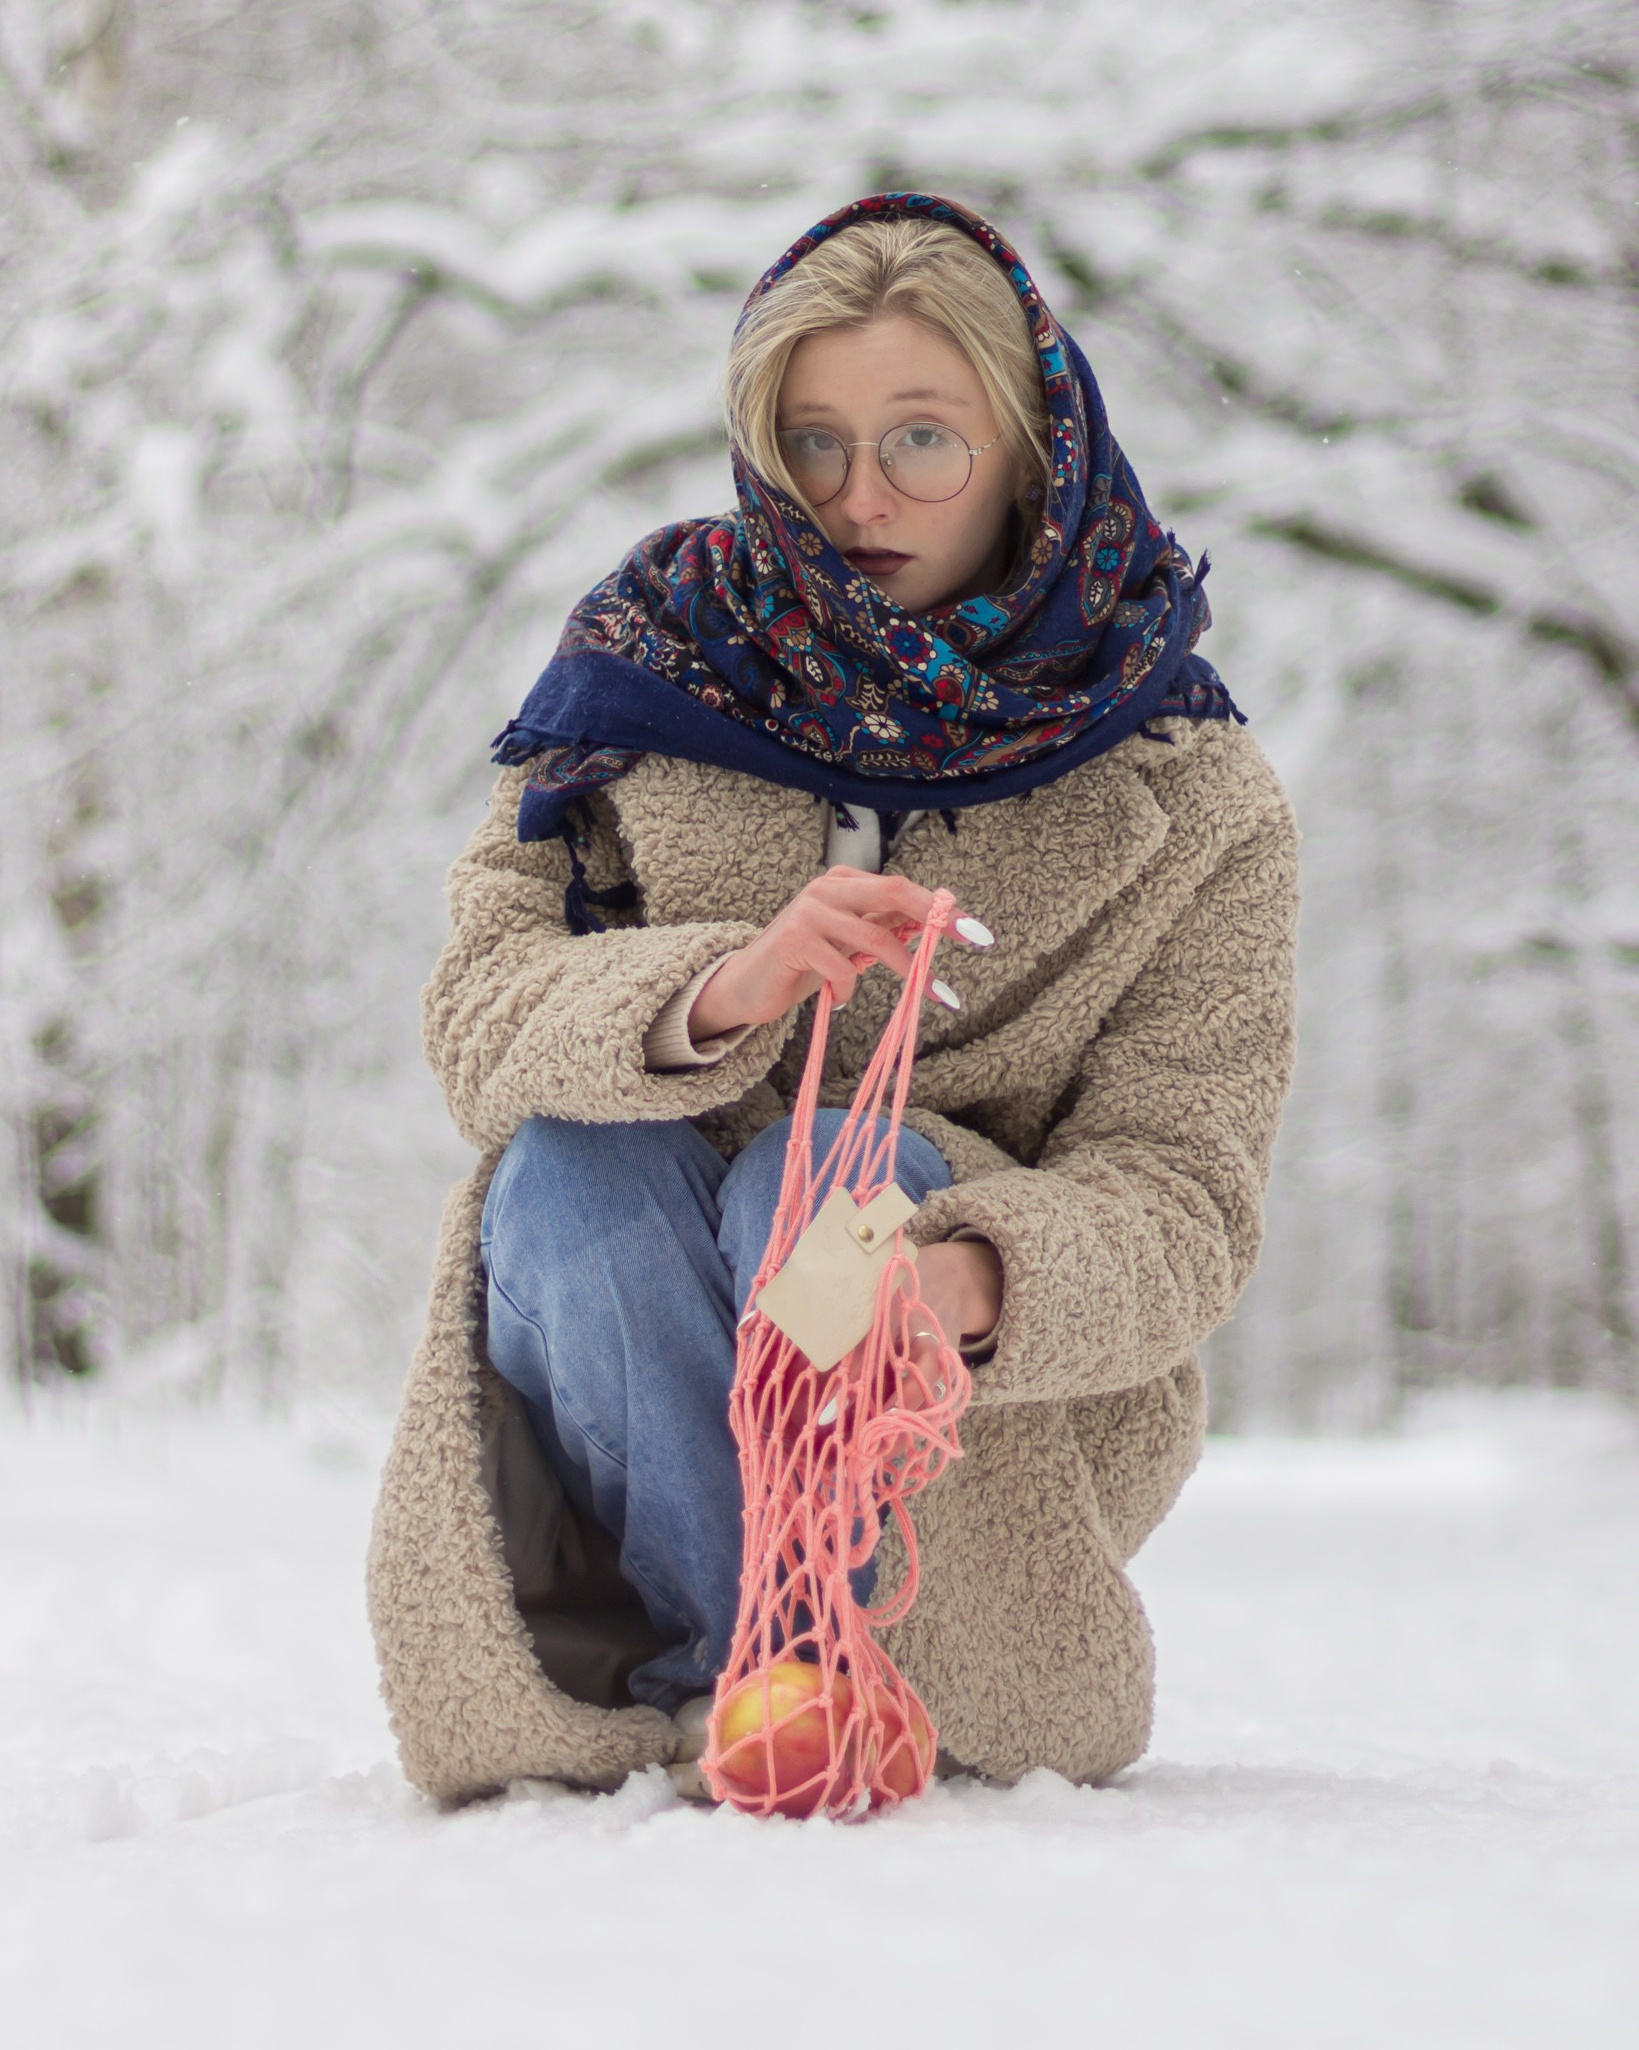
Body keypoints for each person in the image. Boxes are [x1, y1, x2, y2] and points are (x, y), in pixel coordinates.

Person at [366, 193, 1298, 1807]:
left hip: (953, 1424)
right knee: (567, 1166)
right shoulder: (646, 676)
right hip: (620, 1325)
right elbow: (480, 1012)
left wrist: (971, 1285)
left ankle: (799, 1650)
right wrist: (717, 987)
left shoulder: (1194, 790)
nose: (859, 496)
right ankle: (782, 1651)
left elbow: (1185, 1194)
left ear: (1027, 446)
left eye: (923, 440)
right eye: (813, 441)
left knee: (837, 1189)